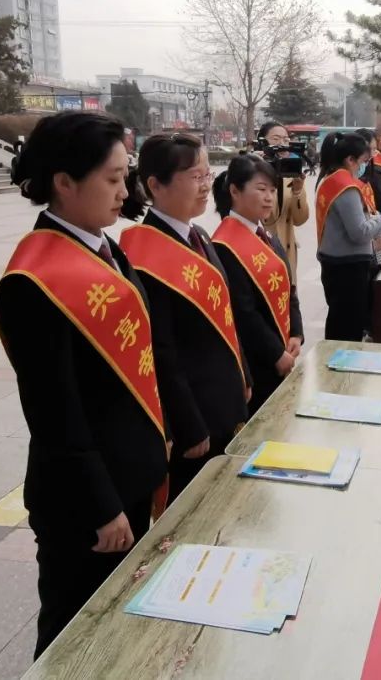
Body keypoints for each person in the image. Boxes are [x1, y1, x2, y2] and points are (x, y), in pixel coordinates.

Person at [0, 112, 167, 658]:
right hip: (87, 503)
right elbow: (53, 410)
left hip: (128, 478)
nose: (125, 191)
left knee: (114, 622)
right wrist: (101, 505)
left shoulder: (102, 247)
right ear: (65, 183)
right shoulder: (34, 279)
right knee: (72, 632)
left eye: (126, 176)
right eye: (113, 179)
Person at [118, 133, 250, 502]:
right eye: (195, 177)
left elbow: (228, 316)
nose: (207, 186)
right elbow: (162, 350)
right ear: (155, 185)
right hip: (194, 417)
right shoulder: (142, 251)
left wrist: (245, 377)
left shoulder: (201, 236)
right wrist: (188, 426)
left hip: (225, 401)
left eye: (208, 175)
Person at [212, 155, 304, 413]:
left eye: (273, 190)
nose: (269, 197)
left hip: (284, 349)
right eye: (261, 189)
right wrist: (276, 354)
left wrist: (296, 331)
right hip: (258, 362)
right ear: (235, 191)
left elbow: (289, 287)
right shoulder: (224, 245)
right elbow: (243, 313)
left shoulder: (269, 237)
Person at [315, 132, 381, 341]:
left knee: (339, 321)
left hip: (336, 262)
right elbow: (359, 231)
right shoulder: (346, 186)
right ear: (350, 160)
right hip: (348, 266)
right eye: (363, 161)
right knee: (347, 327)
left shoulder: (330, 179)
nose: (365, 166)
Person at [257, 121, 310, 283]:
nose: (282, 144)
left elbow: (300, 219)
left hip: (286, 253)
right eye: (276, 139)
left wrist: (297, 191)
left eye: (286, 140)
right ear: (262, 142)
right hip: (259, 253)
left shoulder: (292, 173)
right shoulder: (250, 171)